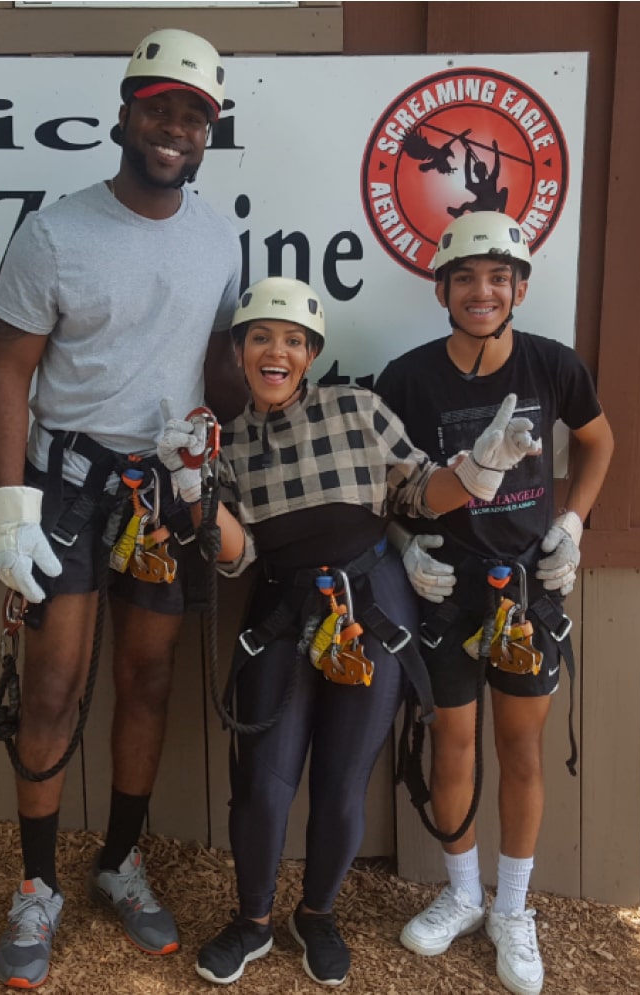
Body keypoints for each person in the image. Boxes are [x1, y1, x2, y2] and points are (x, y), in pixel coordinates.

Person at [157, 276, 541, 988]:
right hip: (280, 607)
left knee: (342, 781)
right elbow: (236, 554)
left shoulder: (359, 408)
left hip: (373, 605)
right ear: (238, 351)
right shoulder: (228, 444)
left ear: (311, 355)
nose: (278, 352)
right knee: (264, 782)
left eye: (295, 341)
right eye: (262, 338)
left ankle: (318, 913)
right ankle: (252, 920)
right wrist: (192, 487)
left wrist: (481, 468)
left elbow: (422, 492)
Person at [0, 28, 245, 989]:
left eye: (194, 114)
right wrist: (11, 508)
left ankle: (120, 863)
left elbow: (214, 352)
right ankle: (37, 885)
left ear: (207, 132)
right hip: (68, 486)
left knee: (147, 681)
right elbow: (5, 370)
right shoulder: (56, 232)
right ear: (126, 113)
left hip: (165, 489)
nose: (175, 126)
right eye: (160, 106)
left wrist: (227, 406)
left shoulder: (221, 232)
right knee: (52, 687)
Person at [375, 212, 614, 995]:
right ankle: (463, 891)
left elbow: (600, 440)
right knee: (453, 743)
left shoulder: (552, 365)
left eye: (499, 278)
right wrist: (405, 546)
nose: (483, 291)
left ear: (519, 287)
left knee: (520, 747)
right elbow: (382, 481)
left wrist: (572, 523)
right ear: (442, 286)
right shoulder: (407, 378)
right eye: (468, 278)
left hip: (526, 586)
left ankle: (513, 907)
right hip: (447, 584)